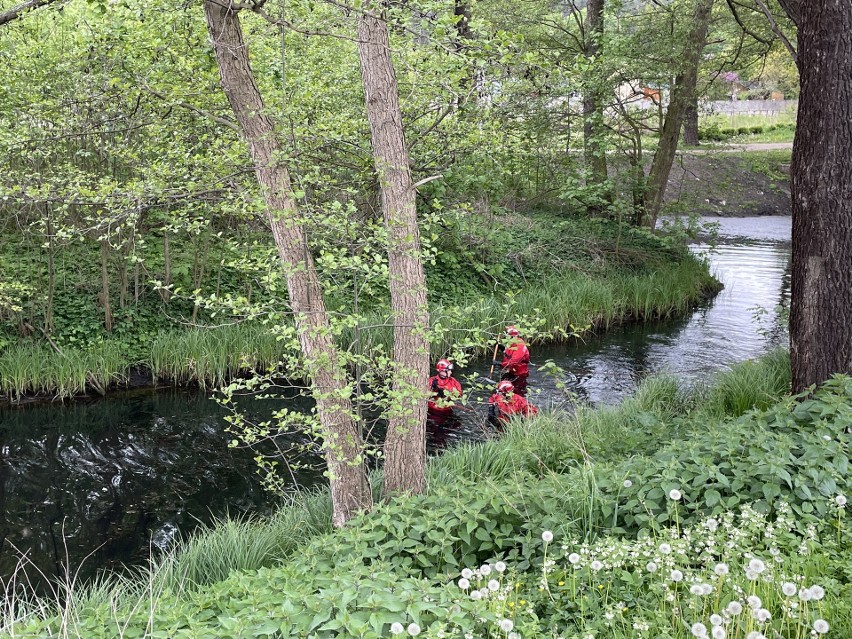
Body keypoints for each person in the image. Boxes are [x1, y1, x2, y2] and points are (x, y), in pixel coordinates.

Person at [497, 325, 531, 395]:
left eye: (506, 335)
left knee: (518, 391)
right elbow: (510, 354)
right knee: (503, 385)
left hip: (520, 373)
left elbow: (514, 361)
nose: (505, 336)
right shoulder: (512, 343)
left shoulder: (520, 345)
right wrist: (503, 349)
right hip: (512, 371)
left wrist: (499, 364)